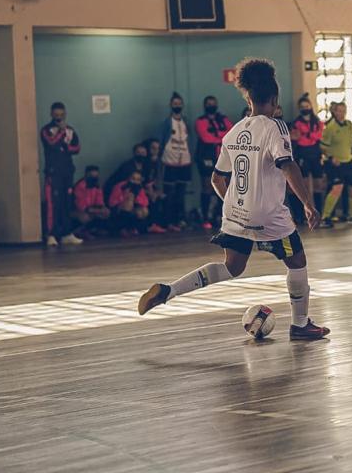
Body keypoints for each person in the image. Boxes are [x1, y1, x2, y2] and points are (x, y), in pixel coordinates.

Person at [137, 58, 329, 341]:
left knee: (232, 267)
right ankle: (300, 324)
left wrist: (238, 204)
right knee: (297, 262)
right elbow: (287, 165)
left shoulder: (233, 132)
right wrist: (308, 203)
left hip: (235, 215)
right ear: (275, 99)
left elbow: (217, 179)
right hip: (269, 217)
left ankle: (169, 290)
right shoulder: (275, 128)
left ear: (247, 97)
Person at [40, 102, 83, 246]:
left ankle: (66, 233)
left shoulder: (70, 130)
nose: (59, 118)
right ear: (51, 114)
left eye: (61, 115)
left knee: (67, 203)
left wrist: (65, 146)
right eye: (56, 115)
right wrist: (60, 133)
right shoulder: (46, 130)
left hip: (67, 172)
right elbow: (51, 143)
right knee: (53, 204)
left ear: (65, 114)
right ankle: (51, 234)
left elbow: (76, 148)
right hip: (53, 173)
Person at [320, 102, 352, 228]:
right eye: (339, 111)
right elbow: (323, 147)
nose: (342, 113)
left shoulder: (349, 125)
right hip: (335, 163)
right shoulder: (330, 127)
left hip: (348, 161)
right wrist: (331, 157)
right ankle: (325, 217)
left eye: (344, 110)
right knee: (337, 188)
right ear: (334, 112)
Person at [107, 142, 166, 234]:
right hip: (121, 192)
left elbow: (148, 182)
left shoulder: (147, 165)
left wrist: (153, 193)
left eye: (143, 152)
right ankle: (124, 228)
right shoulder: (127, 166)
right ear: (134, 153)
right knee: (130, 202)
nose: (141, 155)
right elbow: (126, 185)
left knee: (154, 199)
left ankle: (151, 225)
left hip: (139, 190)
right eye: (138, 152)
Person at [195, 95, 234, 230]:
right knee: (207, 186)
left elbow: (231, 132)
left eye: (213, 103)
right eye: (208, 103)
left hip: (222, 155)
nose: (211, 105)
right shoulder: (200, 121)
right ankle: (205, 217)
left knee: (224, 185)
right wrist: (220, 138)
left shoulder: (223, 119)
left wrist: (219, 138)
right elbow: (205, 137)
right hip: (206, 156)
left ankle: (219, 216)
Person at [289, 93, 325, 221]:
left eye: (307, 105)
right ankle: (306, 214)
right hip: (303, 154)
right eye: (302, 106)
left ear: (310, 106)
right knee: (304, 187)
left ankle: (320, 213)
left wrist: (306, 135)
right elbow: (297, 138)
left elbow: (319, 135)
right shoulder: (297, 122)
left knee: (318, 185)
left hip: (315, 155)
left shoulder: (317, 121)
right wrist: (308, 136)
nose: (305, 108)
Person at [160, 92, 192, 232]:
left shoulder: (185, 121)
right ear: (170, 105)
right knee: (169, 193)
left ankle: (180, 220)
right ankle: (168, 221)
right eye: (175, 104)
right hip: (169, 160)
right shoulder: (166, 123)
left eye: (179, 104)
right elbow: (161, 141)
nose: (177, 106)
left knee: (181, 193)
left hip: (184, 161)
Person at [108, 169, 150, 237]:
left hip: (133, 208)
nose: (135, 181)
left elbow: (145, 202)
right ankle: (122, 228)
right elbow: (112, 202)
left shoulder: (139, 188)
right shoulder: (120, 186)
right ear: (128, 178)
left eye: (138, 179)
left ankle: (133, 228)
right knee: (129, 202)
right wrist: (126, 196)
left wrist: (136, 198)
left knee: (144, 211)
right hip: (118, 210)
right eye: (133, 179)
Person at [72, 165, 110, 238]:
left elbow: (100, 202)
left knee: (106, 212)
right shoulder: (80, 186)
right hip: (76, 211)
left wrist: (102, 208)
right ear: (86, 175)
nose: (94, 178)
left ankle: (93, 229)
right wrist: (97, 210)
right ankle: (79, 231)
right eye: (91, 176)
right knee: (86, 217)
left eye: (96, 176)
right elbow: (82, 207)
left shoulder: (97, 186)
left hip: (91, 209)